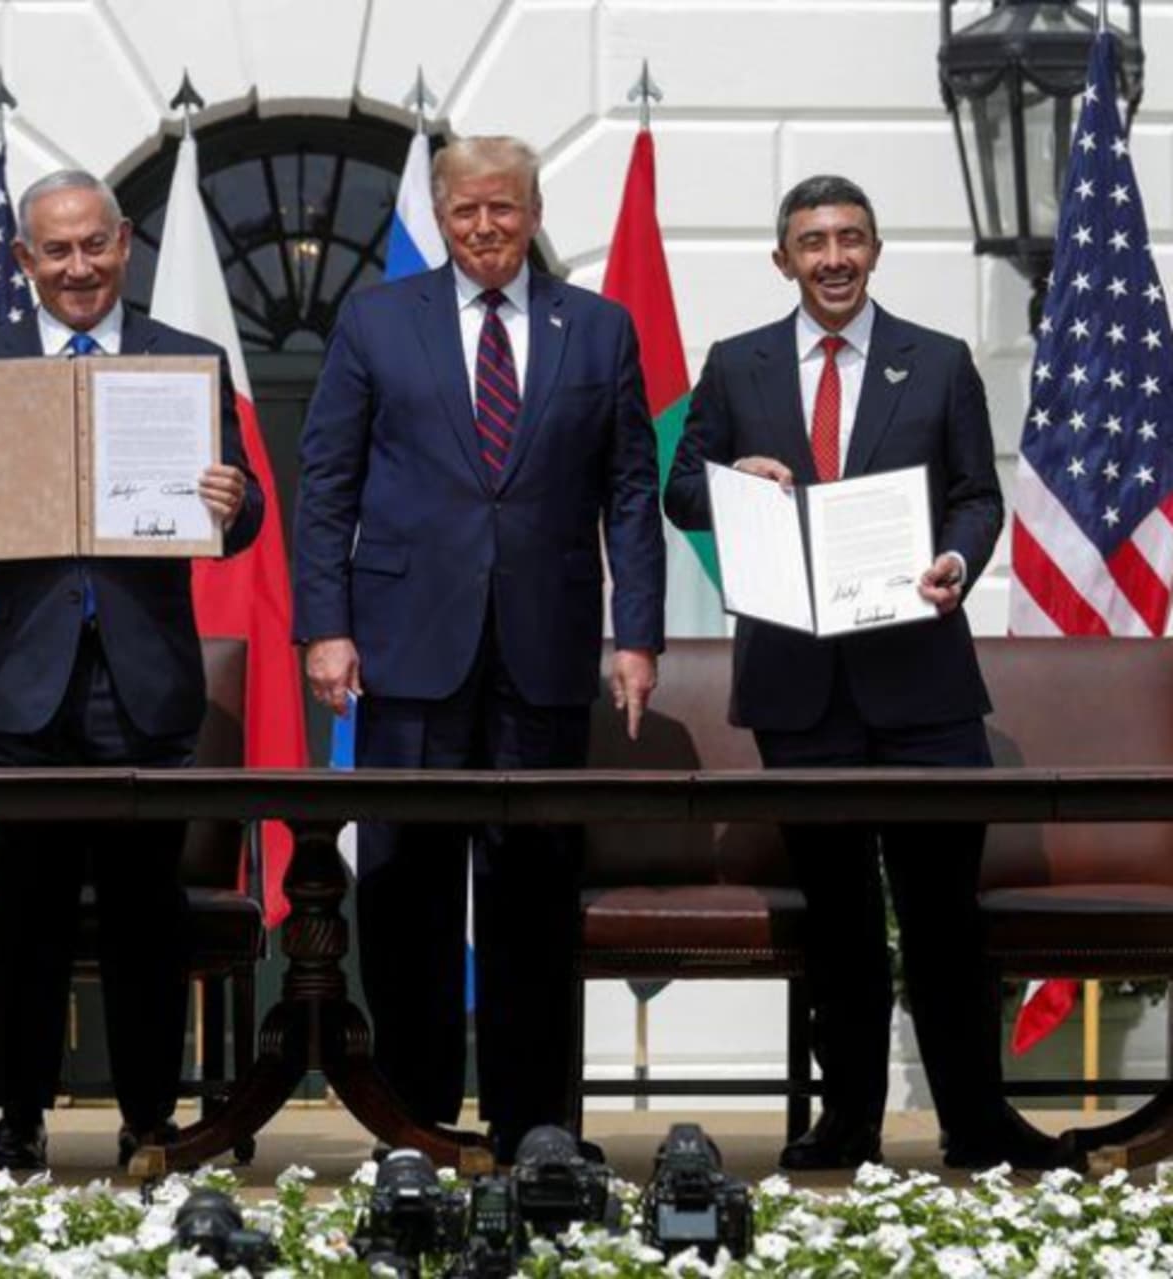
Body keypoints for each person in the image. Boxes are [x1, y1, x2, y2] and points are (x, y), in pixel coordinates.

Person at [664, 174, 1068, 1171]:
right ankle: (848, 1122)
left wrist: (958, 561)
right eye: (813, 242)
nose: (833, 257)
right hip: (799, 687)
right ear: (784, 259)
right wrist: (727, 485)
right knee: (839, 923)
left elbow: (979, 498)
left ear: (876, 250)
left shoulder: (937, 363)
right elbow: (676, 490)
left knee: (944, 921)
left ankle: (977, 1122)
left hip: (922, 683)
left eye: (850, 238)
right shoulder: (737, 365)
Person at [294, 136, 665, 1159]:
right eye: (467, 212)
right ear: (443, 215)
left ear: (536, 212)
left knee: (532, 895)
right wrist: (325, 626)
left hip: (543, 654)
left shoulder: (597, 329)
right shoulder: (376, 322)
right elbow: (326, 482)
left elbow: (632, 490)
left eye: (505, 209)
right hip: (407, 652)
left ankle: (532, 1122)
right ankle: (411, 1118)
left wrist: (637, 633)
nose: (486, 228)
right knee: (406, 891)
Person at [0, 169, 265, 1170]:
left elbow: (242, 526)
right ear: (24, 261)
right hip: (24, 683)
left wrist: (232, 500)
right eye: (54, 251)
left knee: (150, 916)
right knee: (30, 919)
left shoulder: (185, 361)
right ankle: (16, 1119)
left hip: (141, 681)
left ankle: (151, 1121)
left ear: (124, 246)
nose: (76, 268)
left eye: (92, 246)